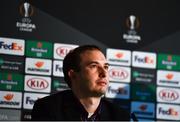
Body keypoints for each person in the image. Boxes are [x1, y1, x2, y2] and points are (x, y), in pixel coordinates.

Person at [31, 45, 130, 121]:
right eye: (94, 66)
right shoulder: (48, 108)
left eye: (106, 67)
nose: (104, 74)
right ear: (73, 75)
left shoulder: (120, 116)